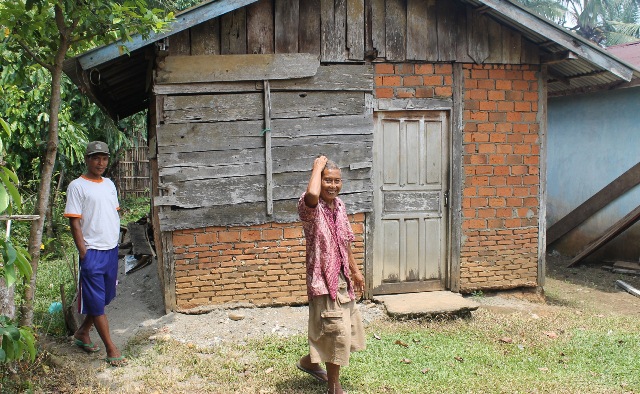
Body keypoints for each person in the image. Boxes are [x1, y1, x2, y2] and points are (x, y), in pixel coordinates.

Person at [296, 155, 366, 394]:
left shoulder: (340, 206)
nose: (333, 186)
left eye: (337, 181)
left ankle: (309, 362)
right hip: (323, 280)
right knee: (336, 331)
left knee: (342, 328)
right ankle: (334, 385)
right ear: (318, 179)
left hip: (342, 278)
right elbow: (313, 195)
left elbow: (345, 241)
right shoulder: (309, 208)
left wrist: (355, 272)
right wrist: (317, 166)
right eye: (327, 180)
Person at [64, 141, 127, 367]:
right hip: (92, 252)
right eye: (96, 158)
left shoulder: (109, 184)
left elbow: (111, 213)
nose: (101, 163)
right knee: (97, 302)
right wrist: (84, 253)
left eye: (104, 158)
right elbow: (75, 222)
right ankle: (111, 348)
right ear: (87, 159)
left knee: (104, 298)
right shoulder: (77, 186)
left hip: (111, 250)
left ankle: (82, 332)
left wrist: (115, 244)